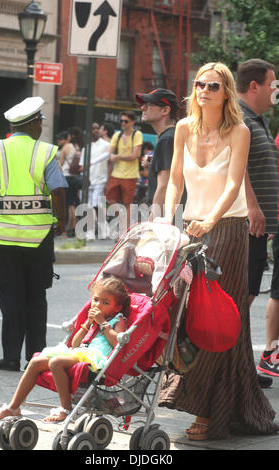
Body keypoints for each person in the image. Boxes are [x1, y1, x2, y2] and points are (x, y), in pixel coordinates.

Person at [158, 62, 279, 440]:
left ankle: (211, 413)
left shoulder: (239, 131)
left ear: (226, 91)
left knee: (218, 321)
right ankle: (224, 404)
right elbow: (175, 180)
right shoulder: (182, 128)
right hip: (191, 230)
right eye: (198, 84)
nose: (204, 90)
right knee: (187, 318)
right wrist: (166, 220)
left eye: (212, 85)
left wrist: (210, 220)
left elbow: (233, 185)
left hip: (227, 231)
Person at [0, 97, 67, 372]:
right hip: (38, 239)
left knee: (10, 298)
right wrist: (61, 220)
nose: (41, 126)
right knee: (36, 299)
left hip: (2, 239)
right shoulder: (45, 153)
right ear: (33, 124)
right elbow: (58, 189)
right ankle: (36, 358)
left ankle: (10, 357)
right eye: (40, 121)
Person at [0, 276, 129, 423]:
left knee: (55, 362)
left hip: (95, 358)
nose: (98, 305)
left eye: (105, 302)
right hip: (80, 352)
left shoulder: (117, 319)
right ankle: (13, 407)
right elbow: (75, 344)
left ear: (117, 307)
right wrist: (88, 324)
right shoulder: (94, 320)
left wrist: (102, 323)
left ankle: (66, 408)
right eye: (95, 300)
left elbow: (117, 342)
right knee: (35, 362)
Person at [237, 59, 279, 378]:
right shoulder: (240, 118)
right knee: (241, 298)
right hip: (244, 225)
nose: (274, 91)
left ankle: (238, 369)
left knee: (247, 294)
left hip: (260, 229)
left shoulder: (259, 120)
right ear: (255, 86)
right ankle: (230, 369)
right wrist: (252, 206)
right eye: (271, 84)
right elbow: (237, 169)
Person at [136, 88, 180, 220]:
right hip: (173, 214)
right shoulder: (171, 136)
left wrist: (152, 221)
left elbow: (164, 186)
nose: (143, 107)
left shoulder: (167, 139)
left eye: (149, 105)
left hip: (167, 215)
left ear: (165, 110)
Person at [106, 111, 143, 228]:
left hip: (130, 175)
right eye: (121, 121)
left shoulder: (137, 135)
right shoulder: (117, 136)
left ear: (132, 122)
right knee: (111, 200)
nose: (122, 123)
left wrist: (117, 156)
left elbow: (134, 156)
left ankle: (125, 230)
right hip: (116, 173)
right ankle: (123, 221)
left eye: (126, 121)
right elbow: (109, 154)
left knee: (128, 203)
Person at [81, 123, 111, 239]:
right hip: (88, 181)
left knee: (97, 205)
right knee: (90, 206)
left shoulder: (106, 145)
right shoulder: (86, 148)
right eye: (92, 128)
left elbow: (110, 163)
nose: (95, 130)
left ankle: (104, 231)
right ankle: (93, 232)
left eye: (97, 128)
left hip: (101, 180)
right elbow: (82, 167)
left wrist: (108, 181)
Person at [59, 126, 84, 237]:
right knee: (74, 202)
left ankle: (69, 228)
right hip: (76, 178)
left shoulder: (67, 146)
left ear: (71, 136)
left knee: (69, 205)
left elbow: (60, 163)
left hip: (67, 177)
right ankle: (74, 228)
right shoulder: (79, 147)